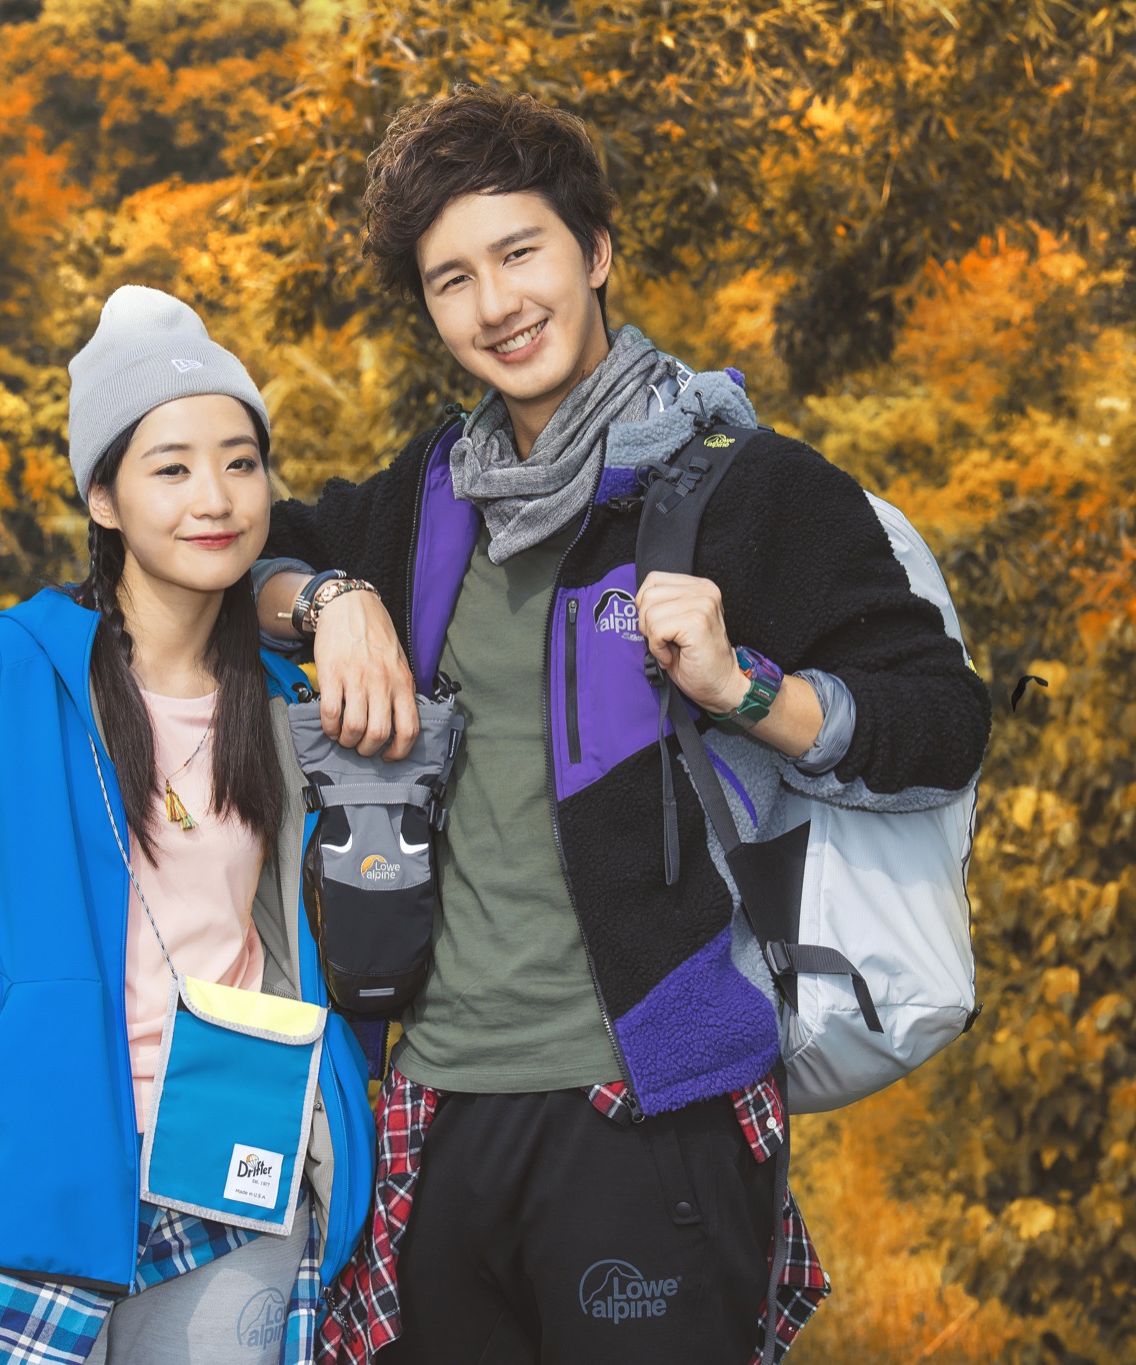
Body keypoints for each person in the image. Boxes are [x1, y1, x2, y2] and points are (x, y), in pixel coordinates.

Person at [252, 86, 992, 1363]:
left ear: (593, 252)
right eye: (450, 280)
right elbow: (235, 553)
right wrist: (328, 600)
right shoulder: (427, 498)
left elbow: (940, 722)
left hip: (651, 1115)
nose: (494, 305)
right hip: (433, 1111)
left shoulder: (746, 491)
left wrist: (745, 690)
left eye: (520, 253)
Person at [0, 286, 375, 1365]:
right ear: (103, 497)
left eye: (241, 462)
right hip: (46, 1148)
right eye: (172, 468)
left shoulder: (284, 700)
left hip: (236, 1148)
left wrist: (336, 602)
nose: (217, 498)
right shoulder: (15, 667)